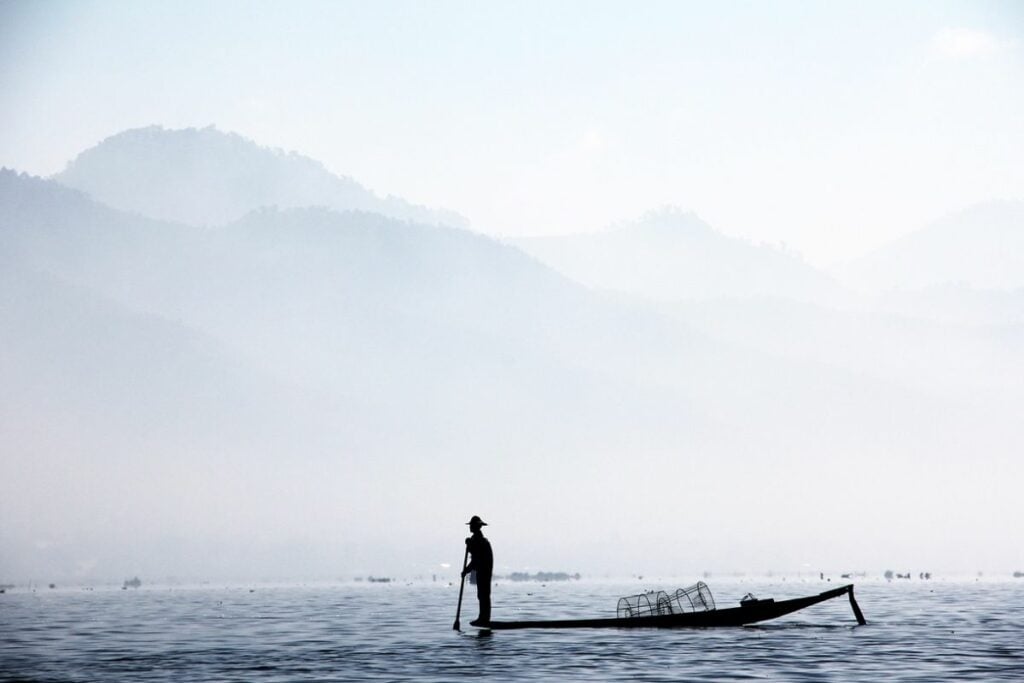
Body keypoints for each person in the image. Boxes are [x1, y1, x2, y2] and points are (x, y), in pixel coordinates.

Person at [462, 515, 493, 626]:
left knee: (484, 594)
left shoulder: (480, 541)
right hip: (482, 570)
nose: (470, 527)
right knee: (482, 594)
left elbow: (476, 559)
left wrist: (466, 570)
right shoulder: (476, 539)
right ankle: (483, 617)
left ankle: (484, 618)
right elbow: (474, 556)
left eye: (472, 525)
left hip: (484, 571)